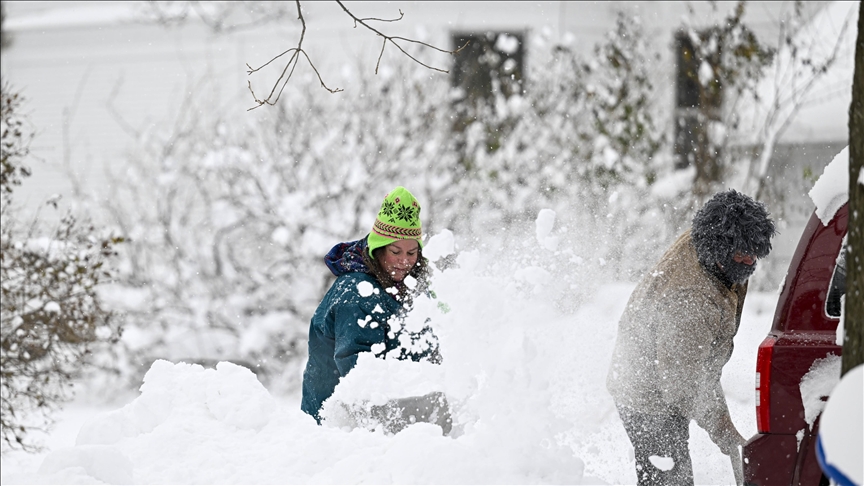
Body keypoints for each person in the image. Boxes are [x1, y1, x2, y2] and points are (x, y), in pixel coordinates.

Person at [606, 189, 776, 486]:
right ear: (718, 251)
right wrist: (723, 429)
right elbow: (682, 383)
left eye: (754, 253)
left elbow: (693, 367)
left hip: (672, 364)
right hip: (645, 393)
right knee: (669, 477)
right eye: (742, 253)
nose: (749, 262)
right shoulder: (691, 299)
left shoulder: (719, 252)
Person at [300, 186, 443, 429]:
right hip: (336, 428)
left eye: (412, 252)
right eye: (395, 251)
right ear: (378, 248)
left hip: (393, 422)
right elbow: (359, 372)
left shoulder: (409, 288)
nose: (404, 261)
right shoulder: (357, 293)